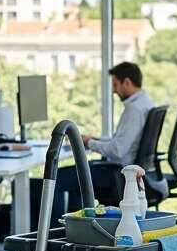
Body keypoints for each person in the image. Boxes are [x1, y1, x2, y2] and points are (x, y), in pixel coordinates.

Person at [49, 62, 156, 223]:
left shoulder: (134, 110)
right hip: (122, 168)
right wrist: (92, 139)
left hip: (118, 172)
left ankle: (52, 234)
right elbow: (120, 141)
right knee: (76, 179)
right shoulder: (145, 103)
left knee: (58, 178)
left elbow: (118, 150)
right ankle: (79, 227)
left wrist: (90, 143)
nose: (114, 90)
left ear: (127, 82)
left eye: (115, 84)